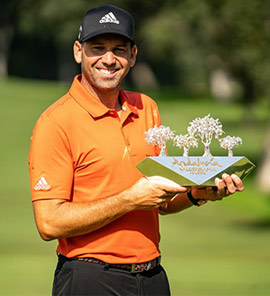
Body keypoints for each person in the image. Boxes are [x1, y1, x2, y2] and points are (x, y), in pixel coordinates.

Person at [28, 4, 244, 296]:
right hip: (89, 278)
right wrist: (129, 199)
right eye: (97, 47)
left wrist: (196, 194)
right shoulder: (55, 122)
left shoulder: (146, 108)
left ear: (132, 55)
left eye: (119, 49)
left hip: (152, 276)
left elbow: (161, 201)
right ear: (78, 51)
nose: (108, 59)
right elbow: (49, 223)